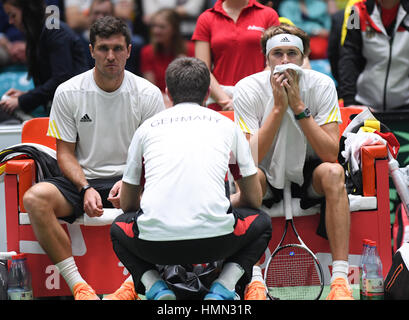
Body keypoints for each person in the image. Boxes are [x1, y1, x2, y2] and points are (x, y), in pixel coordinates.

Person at [22, 16, 165, 300]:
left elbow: (156, 153)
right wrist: (84, 187)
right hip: (82, 180)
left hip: (131, 180)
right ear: (91, 50)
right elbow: (65, 152)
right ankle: (79, 288)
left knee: (171, 194)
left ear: (128, 50)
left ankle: (136, 287)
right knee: (34, 199)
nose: (110, 56)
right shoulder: (69, 91)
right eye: (102, 48)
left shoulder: (147, 93)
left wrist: (130, 181)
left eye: (116, 48)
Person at [110, 57, 272, 300]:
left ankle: (156, 289)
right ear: (208, 93)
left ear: (167, 93)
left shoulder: (146, 129)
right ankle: (224, 288)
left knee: (117, 228)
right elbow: (254, 199)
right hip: (217, 242)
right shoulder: (227, 126)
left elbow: (128, 205)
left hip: (156, 248)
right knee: (262, 223)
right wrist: (222, 203)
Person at [233, 24, 353, 300]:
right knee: (251, 179)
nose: (285, 61)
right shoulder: (247, 89)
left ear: (304, 57)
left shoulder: (322, 84)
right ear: (266, 57)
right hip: (264, 170)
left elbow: (330, 153)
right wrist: (277, 108)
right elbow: (248, 159)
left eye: (291, 53)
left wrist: (298, 107)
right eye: (277, 54)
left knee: (335, 173)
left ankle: (339, 280)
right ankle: (254, 280)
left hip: (310, 171)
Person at [0, 0, 88, 119]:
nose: (10, 21)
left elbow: (61, 80)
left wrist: (22, 100)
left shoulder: (54, 31)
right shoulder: (39, 33)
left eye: (13, 15)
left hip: (78, 111)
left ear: (27, 12)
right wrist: (25, 95)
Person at [192, 0, 279, 111]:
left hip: (258, 99)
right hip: (220, 102)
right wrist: (226, 102)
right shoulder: (206, 18)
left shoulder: (268, 14)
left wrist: (247, 98)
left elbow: (275, 61)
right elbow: (202, 68)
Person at [338, 0, 409, 111]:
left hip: (404, 105)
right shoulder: (356, 10)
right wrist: (349, 102)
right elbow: (348, 58)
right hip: (363, 104)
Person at [140, 8, 195, 107]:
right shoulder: (147, 52)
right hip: (158, 101)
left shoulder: (190, 49)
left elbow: (194, 87)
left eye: (162, 27)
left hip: (186, 102)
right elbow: (150, 88)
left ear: (174, 29)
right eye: (154, 26)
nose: (156, 31)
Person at [78, 0, 142, 75]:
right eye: (96, 13)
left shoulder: (133, 44)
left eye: (105, 13)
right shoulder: (77, 42)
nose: (100, 17)